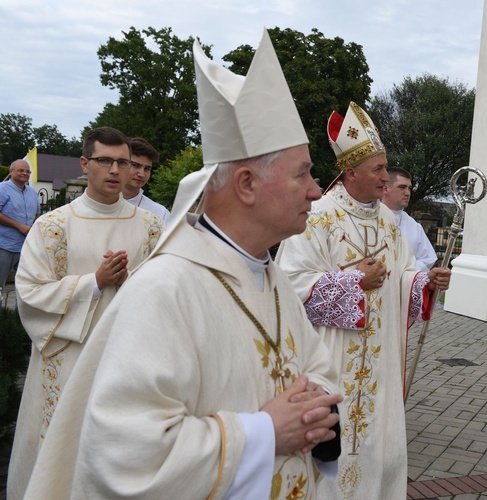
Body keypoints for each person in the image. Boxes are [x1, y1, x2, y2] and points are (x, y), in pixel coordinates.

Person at [21, 30, 342, 499]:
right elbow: (127, 456)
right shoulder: (166, 288)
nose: (316, 190)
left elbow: (319, 367)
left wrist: (315, 407)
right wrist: (264, 433)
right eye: (302, 174)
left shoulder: (269, 276)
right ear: (247, 184)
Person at [277, 101, 452, 498]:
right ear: (351, 172)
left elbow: (404, 272)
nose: (386, 178)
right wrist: (355, 280)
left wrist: (424, 281)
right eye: (378, 170)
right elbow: (291, 286)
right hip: (333, 358)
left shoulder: (389, 221)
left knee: (377, 446)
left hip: (381, 360)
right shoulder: (317, 217)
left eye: (386, 169)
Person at [7, 126, 164, 498]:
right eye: (104, 160)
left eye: (123, 162)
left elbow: (170, 289)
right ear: (84, 163)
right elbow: (29, 294)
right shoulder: (52, 227)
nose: (115, 170)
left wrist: (129, 282)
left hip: (130, 359)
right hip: (67, 362)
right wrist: (93, 282)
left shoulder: (153, 227)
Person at [0, 159, 39, 308]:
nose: (25, 173)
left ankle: (19, 319)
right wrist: (19, 226)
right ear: (11, 172)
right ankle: (2, 321)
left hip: (25, 247)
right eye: (21, 170)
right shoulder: (2, 189)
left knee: (25, 285)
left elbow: (36, 217)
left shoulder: (32, 193)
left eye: (27, 171)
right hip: (4, 245)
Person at [382, 167, 437, 271]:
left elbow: (428, 259)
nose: (407, 193)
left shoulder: (414, 226)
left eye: (409, 188)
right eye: (402, 187)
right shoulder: (371, 218)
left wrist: (405, 271)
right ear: (385, 189)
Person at [122, 137, 171, 223]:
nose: (142, 174)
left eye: (147, 169)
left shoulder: (160, 214)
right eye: (135, 165)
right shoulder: (98, 205)